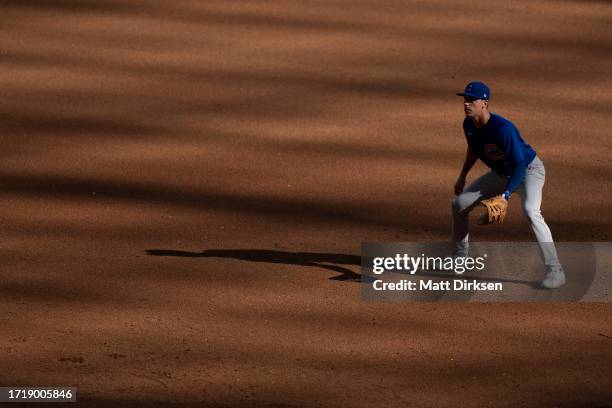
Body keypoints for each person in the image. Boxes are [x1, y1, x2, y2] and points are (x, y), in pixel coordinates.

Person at [451, 81, 565, 289]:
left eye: (472, 100)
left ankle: (555, 270)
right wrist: (462, 176)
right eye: (465, 100)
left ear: (484, 103)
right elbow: (474, 149)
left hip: (529, 171)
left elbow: (519, 163)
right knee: (459, 205)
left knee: (531, 210)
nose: (466, 104)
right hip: (501, 173)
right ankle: (460, 258)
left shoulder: (503, 129)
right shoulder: (468, 124)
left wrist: (505, 196)